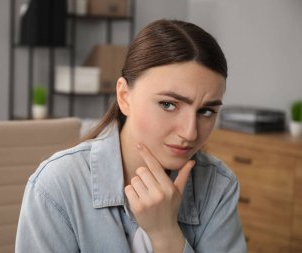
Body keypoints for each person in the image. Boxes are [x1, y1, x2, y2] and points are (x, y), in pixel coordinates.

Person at [15, 19, 247, 253]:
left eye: (206, 111)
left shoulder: (217, 185)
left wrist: (166, 235)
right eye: (168, 105)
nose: (190, 133)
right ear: (124, 96)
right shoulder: (57, 186)